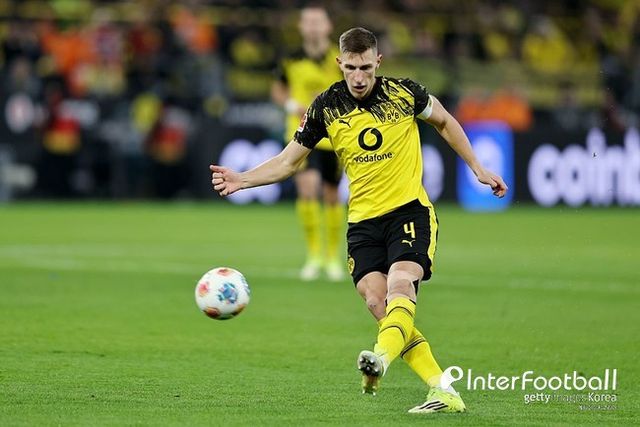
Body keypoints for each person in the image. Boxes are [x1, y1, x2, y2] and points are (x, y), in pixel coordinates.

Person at [210, 27, 508, 414]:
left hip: (408, 212)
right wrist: (243, 179)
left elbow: (446, 122)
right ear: (340, 64)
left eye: (366, 67)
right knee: (377, 302)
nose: (359, 77)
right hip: (363, 224)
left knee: (401, 283)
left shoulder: (405, 93)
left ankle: (379, 360)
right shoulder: (325, 107)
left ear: (378, 62)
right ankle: (443, 390)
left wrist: (478, 168)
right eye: (351, 68)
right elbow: (288, 162)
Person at [271, 5, 345, 281]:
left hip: (335, 135)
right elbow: (278, 88)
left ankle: (332, 256)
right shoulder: (290, 59)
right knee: (308, 188)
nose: (313, 26)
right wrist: (291, 104)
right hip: (302, 133)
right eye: (308, 22)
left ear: (328, 26)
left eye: (318, 21)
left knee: (331, 195)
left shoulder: (339, 58)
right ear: (301, 27)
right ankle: (314, 256)